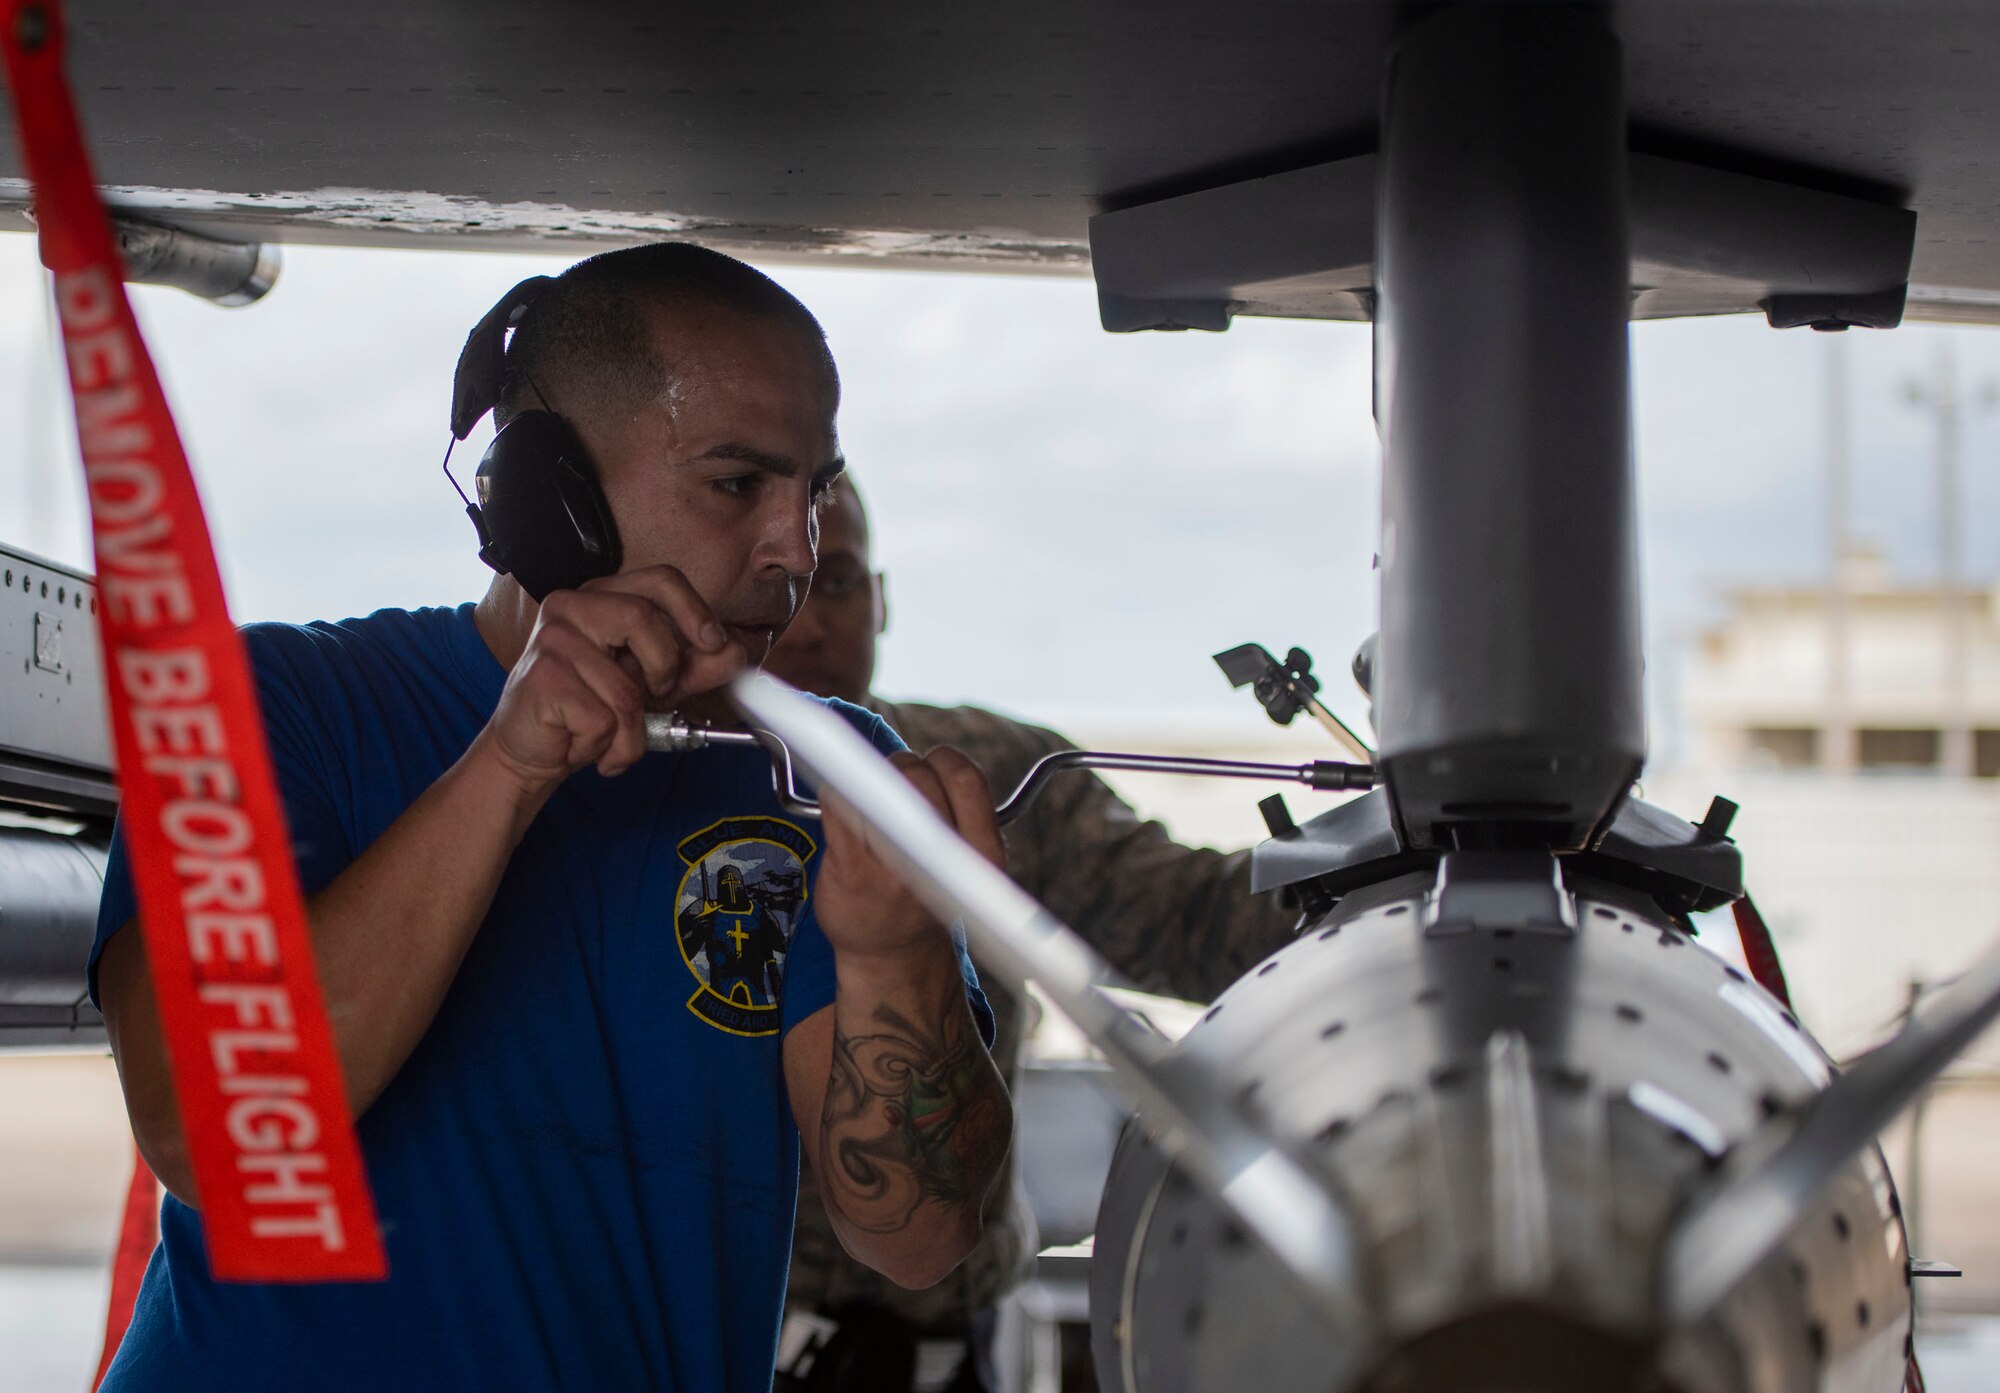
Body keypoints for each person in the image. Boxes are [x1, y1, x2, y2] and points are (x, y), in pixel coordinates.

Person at [88, 244, 1012, 1392]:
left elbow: (919, 1234)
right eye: (738, 484)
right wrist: (507, 768)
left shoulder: (826, 778)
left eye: (813, 490)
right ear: (548, 491)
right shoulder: (274, 703)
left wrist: (894, 950)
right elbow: (203, 1132)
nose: (796, 550)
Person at [764, 480, 1300, 1392]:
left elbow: (1189, 919)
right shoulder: (649, 797)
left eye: (840, 580)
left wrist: (1370, 869)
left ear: (883, 600)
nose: (811, 622)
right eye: (781, 586)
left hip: (967, 1343)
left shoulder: (994, 776)